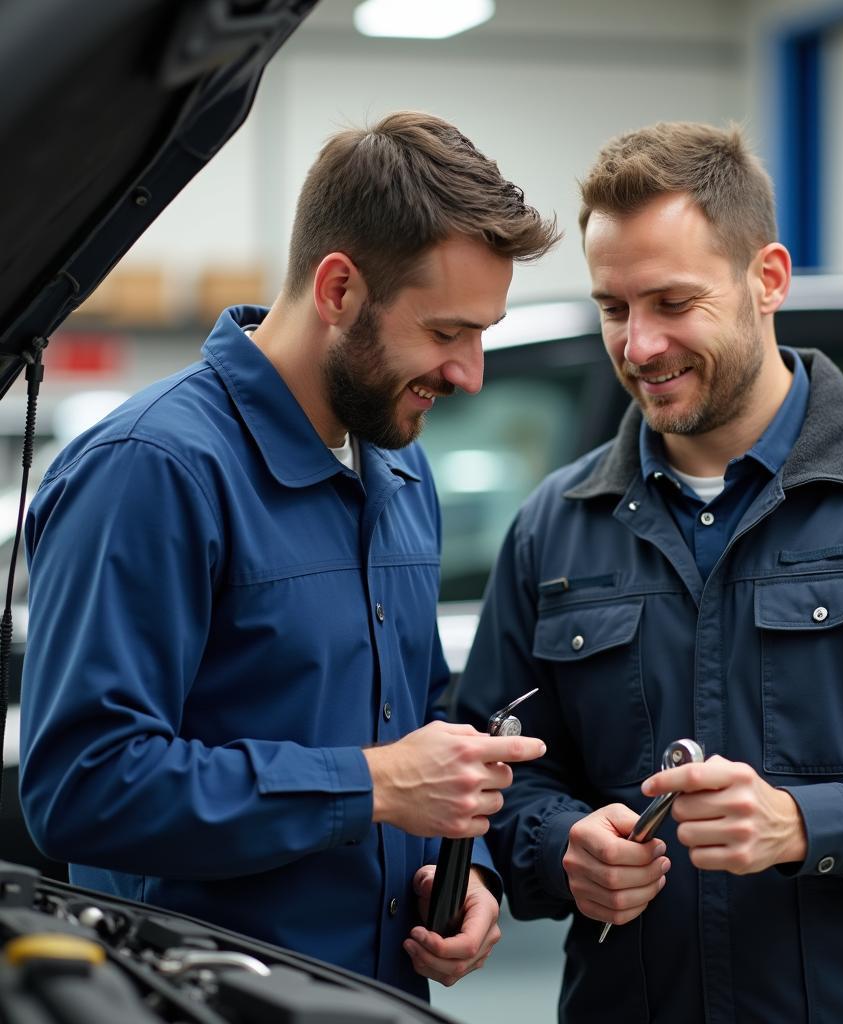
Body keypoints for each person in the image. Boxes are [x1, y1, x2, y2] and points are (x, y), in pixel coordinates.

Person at [455, 120, 843, 1022]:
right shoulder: (553, 529)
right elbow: (494, 783)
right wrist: (560, 843)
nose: (639, 345)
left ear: (767, 279)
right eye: (613, 308)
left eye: (672, 303)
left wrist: (812, 824)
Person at [19, 111, 557, 1000]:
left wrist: (467, 874)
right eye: (446, 332)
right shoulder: (152, 473)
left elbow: (418, 723)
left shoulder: (398, 464)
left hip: (376, 996)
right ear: (339, 289)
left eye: (482, 335)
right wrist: (370, 785)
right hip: (204, 998)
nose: (470, 373)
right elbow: (84, 786)